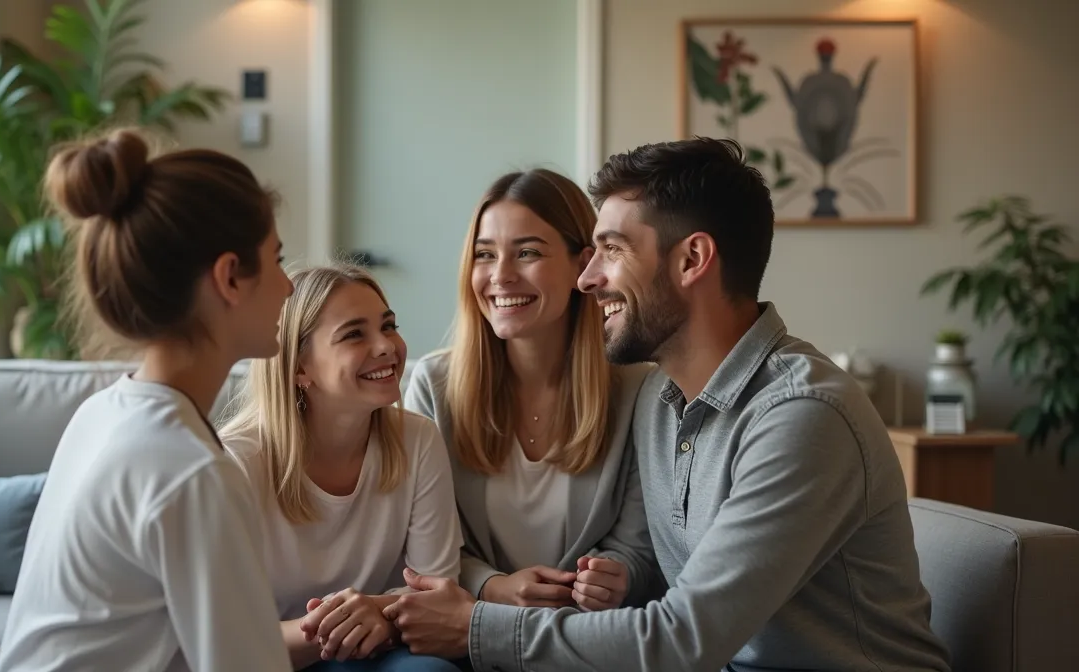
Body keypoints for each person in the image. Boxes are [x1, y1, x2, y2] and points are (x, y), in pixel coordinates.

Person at [383, 138, 953, 671]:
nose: (588, 278)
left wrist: (477, 628)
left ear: (691, 260)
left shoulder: (802, 416)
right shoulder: (661, 399)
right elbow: (663, 571)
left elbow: (684, 637)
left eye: (611, 250)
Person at [0, 128, 293, 672]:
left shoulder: (103, 414)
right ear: (230, 276)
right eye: (277, 260)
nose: (289, 288)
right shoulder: (193, 472)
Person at [402, 168, 660, 614]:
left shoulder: (640, 388)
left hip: (586, 642)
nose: (500, 276)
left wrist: (619, 574)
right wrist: (491, 586)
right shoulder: (433, 386)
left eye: (526, 253)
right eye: (485, 255)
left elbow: (640, 548)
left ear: (583, 265)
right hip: (468, 637)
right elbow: (419, 549)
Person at [219, 264, 465, 671]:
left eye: (388, 326)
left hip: (378, 650)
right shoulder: (236, 464)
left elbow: (439, 597)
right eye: (354, 334)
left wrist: (377, 613)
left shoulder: (418, 440)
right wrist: (345, 623)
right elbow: (225, 639)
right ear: (299, 368)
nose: (386, 346)